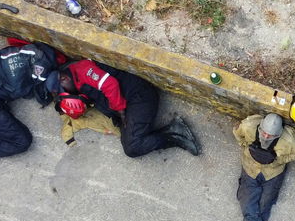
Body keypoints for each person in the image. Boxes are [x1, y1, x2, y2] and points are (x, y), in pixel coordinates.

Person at [49, 57, 202, 158]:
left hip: (140, 97)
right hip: (127, 104)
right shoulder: (74, 83)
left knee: (133, 148)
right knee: (129, 141)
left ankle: (175, 134)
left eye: (64, 92)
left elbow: (111, 85)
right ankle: (170, 130)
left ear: (64, 78)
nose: (67, 95)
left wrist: (121, 111)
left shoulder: (83, 71)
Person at [0, 41, 60, 180]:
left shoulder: (21, 55)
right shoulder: (37, 62)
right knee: (22, 141)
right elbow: (40, 97)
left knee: (20, 139)